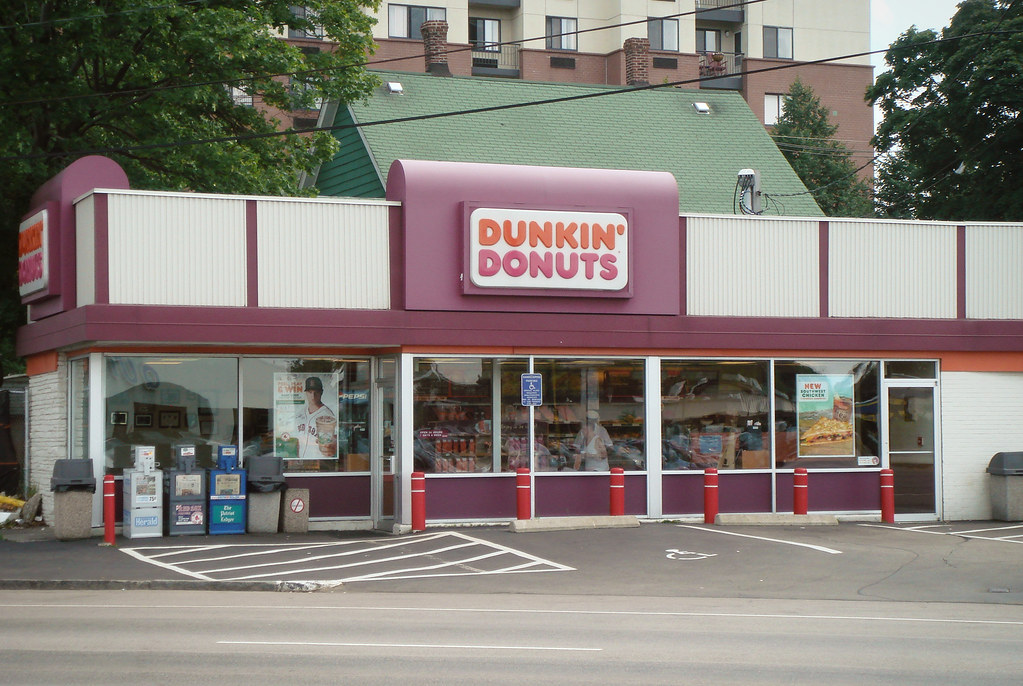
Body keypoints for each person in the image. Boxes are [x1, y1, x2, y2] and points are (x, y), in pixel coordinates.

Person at [297, 376, 335, 459]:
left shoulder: (328, 415)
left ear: (321, 392)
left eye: (316, 392)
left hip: (319, 462)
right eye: (310, 392)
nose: (313, 396)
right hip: (301, 462)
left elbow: (332, 443)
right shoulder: (300, 413)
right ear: (306, 393)